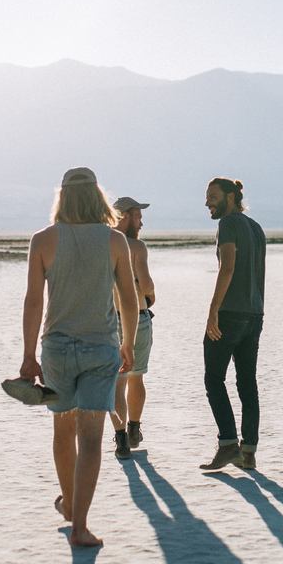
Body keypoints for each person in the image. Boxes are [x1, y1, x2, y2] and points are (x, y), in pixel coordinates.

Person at [19, 167, 138, 547]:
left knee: (62, 430)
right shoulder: (115, 241)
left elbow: (34, 301)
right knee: (90, 439)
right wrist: (129, 343)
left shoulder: (43, 240)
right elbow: (129, 301)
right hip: (101, 348)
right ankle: (79, 526)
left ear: (63, 198)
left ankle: (69, 503)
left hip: (56, 349)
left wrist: (27, 355)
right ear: (97, 198)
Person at [199, 176, 267, 472]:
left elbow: (227, 268)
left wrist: (213, 311)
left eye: (213, 196)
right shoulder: (256, 228)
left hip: (230, 314)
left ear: (230, 196)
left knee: (214, 379)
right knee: (246, 382)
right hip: (254, 315)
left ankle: (228, 444)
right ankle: (248, 452)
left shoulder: (228, 225)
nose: (207, 202)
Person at [109, 196, 156, 459]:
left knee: (117, 381)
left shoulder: (102, 243)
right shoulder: (136, 247)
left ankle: (121, 439)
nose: (141, 221)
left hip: (108, 319)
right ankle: (134, 427)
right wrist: (151, 295)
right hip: (136, 316)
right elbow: (146, 284)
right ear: (125, 216)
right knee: (136, 375)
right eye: (138, 216)